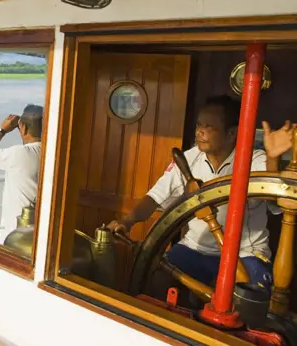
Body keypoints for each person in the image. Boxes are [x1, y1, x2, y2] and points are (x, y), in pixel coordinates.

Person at [107, 95, 295, 291]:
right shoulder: (189, 158)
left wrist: (273, 159)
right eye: (198, 125)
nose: (200, 132)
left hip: (245, 254)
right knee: (154, 283)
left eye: (209, 127)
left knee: (248, 305)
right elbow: (155, 196)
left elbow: (270, 195)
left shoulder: (254, 159)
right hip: (195, 249)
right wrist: (127, 221)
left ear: (231, 134)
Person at [0, 104, 43, 243]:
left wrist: (2, 130)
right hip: (43, 230)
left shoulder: (19, 154)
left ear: (24, 128)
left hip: (17, 234)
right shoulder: (54, 153)